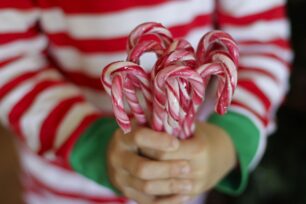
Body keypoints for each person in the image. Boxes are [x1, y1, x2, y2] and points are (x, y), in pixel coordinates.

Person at [0, 0, 291, 203]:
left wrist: (228, 139)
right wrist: (91, 143)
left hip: (183, 174)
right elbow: (9, 61)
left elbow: (261, 48)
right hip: (65, 185)